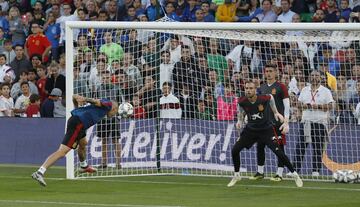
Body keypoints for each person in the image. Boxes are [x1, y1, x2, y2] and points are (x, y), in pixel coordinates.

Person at [227, 80, 303, 188]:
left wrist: (276, 112)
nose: (248, 90)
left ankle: (295, 174)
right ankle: (236, 175)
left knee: (279, 152)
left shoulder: (263, 98)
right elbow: (240, 111)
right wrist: (239, 121)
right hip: (250, 131)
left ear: (255, 90)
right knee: (235, 150)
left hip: (266, 130)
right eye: (246, 88)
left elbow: (271, 98)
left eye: (251, 88)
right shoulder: (242, 101)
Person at [32, 95, 119, 187]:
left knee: (83, 143)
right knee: (62, 152)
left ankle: (84, 166)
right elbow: (97, 101)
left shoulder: (103, 109)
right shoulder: (109, 104)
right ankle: (40, 172)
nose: (114, 115)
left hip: (80, 125)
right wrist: (85, 99)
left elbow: (74, 96)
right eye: (115, 112)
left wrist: (77, 101)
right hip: (77, 124)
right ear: (114, 108)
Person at [250, 64, 290, 182]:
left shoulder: (281, 87)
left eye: (271, 71)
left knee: (279, 147)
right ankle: (260, 172)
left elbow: (287, 105)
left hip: (277, 122)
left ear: (275, 72)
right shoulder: (261, 88)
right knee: (260, 146)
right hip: (263, 123)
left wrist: (286, 122)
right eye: (266, 71)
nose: (268, 73)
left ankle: (279, 173)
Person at [292, 70, 334, 177]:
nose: (314, 77)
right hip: (306, 121)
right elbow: (298, 104)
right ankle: (295, 170)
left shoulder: (326, 91)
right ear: (309, 77)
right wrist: (304, 106)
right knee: (300, 147)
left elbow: (330, 106)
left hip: (319, 122)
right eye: (312, 75)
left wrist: (318, 106)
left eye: (316, 75)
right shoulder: (305, 89)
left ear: (321, 78)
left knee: (318, 147)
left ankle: (315, 171)